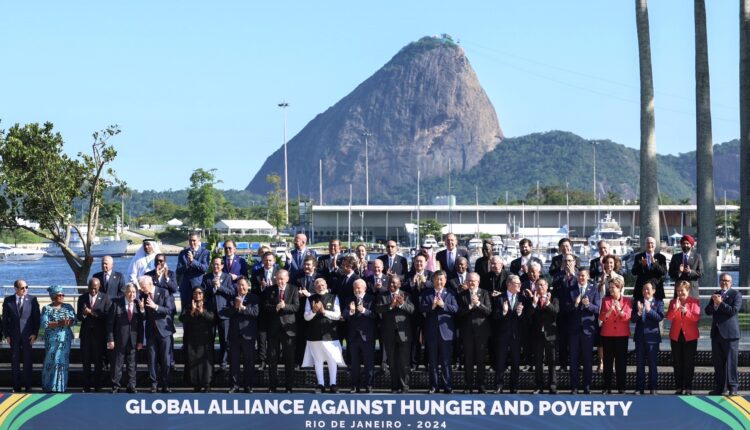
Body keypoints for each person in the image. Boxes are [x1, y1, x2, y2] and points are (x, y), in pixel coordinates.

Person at [420, 270, 458, 394]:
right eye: (437, 279)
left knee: (446, 362)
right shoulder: (427, 294)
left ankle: (448, 386)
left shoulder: (451, 293)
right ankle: (434, 386)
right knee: (433, 362)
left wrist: (444, 305)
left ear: (445, 280)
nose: (439, 282)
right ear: (433, 280)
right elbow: (421, 308)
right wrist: (431, 306)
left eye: (441, 279)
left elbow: (456, 308)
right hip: (431, 333)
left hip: (446, 334)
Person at [303, 278, 344, 392]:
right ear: (314, 287)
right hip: (314, 334)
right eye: (318, 285)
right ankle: (320, 384)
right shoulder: (310, 299)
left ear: (326, 285)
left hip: (330, 335)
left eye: (322, 284)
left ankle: (333, 384)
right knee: (318, 360)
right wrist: (314, 311)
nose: (320, 287)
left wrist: (324, 311)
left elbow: (337, 315)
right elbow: (306, 317)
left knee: (332, 359)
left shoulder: (333, 297)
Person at [262, 270, 299, 393]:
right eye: (278, 278)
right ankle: (273, 386)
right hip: (273, 330)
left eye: (282, 278)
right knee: (272, 359)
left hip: (288, 330)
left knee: (289, 360)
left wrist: (285, 306)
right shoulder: (269, 290)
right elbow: (265, 306)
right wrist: (275, 308)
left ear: (287, 278)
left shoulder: (293, 289)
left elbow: (296, 307)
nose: (280, 281)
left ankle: (289, 387)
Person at [376, 276, 414, 393]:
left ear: (399, 284)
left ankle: (404, 386)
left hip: (404, 333)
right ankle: (394, 386)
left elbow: (412, 310)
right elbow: (377, 310)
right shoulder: (383, 295)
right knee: (392, 362)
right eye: (389, 283)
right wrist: (390, 306)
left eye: (394, 283)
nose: (391, 285)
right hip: (389, 333)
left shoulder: (406, 295)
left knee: (404, 362)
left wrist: (402, 304)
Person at [706, 273, 742, 396]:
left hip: (730, 334)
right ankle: (720, 387)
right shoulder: (716, 294)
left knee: (731, 362)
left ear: (731, 283)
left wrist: (720, 303)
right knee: (718, 363)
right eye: (722, 280)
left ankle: (733, 387)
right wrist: (715, 304)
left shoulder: (736, 295)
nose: (724, 282)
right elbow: (707, 310)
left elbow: (733, 311)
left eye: (727, 280)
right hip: (716, 334)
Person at [139, 275, 176, 393]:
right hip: (151, 332)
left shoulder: (164, 292)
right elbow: (143, 317)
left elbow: (169, 310)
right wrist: (142, 310)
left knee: (165, 359)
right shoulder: (142, 295)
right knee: (152, 359)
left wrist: (155, 307)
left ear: (150, 284)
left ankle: (166, 384)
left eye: (143, 287)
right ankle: (154, 384)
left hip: (164, 331)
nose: (142, 289)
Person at [2, 279, 40, 392]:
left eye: (26, 287)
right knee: (15, 361)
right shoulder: (8, 300)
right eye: (22, 288)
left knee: (27, 361)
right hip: (13, 336)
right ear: (16, 289)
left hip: (28, 336)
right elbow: (4, 320)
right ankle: (16, 386)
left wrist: (35, 333)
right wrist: (7, 335)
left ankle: (28, 385)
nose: (25, 289)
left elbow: (36, 318)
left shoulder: (32, 300)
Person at [492, 274, 527, 394]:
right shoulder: (499, 298)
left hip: (516, 336)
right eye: (517, 284)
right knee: (500, 361)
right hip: (502, 335)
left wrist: (519, 313)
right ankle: (499, 385)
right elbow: (494, 317)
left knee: (516, 362)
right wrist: (504, 312)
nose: (519, 286)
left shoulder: (522, 298)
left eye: (520, 284)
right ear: (509, 284)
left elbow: (527, 319)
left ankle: (514, 386)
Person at [566, 271, 600, 394]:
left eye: (583, 275)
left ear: (588, 277)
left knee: (587, 360)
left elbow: (597, 309)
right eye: (579, 275)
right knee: (573, 360)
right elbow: (565, 309)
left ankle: (587, 386)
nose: (581, 277)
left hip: (588, 330)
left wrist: (588, 305)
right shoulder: (571, 289)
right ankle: (574, 387)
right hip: (574, 330)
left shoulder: (593, 289)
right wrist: (575, 304)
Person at [457, 272, 491, 393]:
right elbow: (459, 313)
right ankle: (468, 385)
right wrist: (470, 306)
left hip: (481, 332)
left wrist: (478, 304)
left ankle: (481, 385)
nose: (471, 283)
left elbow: (488, 311)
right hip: (467, 333)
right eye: (469, 281)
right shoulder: (462, 295)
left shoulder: (485, 293)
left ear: (478, 281)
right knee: (468, 360)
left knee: (481, 360)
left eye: (474, 281)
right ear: (466, 282)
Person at [107, 283, 143, 393]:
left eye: (134, 292)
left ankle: (131, 385)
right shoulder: (116, 304)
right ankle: (116, 386)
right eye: (129, 292)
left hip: (133, 340)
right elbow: (109, 323)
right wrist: (110, 339)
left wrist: (140, 341)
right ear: (125, 292)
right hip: (119, 340)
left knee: (132, 364)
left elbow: (141, 324)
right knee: (117, 364)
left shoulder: (138, 304)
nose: (132, 294)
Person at [666, 280, 700, 395]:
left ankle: (688, 387)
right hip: (676, 336)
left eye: (682, 290)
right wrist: (675, 309)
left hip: (690, 337)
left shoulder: (694, 302)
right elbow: (669, 317)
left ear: (688, 290)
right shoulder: (673, 302)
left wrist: (687, 312)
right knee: (677, 362)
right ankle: (679, 387)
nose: (680, 293)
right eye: (678, 290)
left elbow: (696, 318)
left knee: (689, 362)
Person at [77, 278, 111, 392]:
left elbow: (106, 316)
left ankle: (97, 386)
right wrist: (84, 314)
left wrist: (91, 312)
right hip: (86, 335)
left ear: (99, 287)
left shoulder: (105, 298)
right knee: (85, 362)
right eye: (90, 288)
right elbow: (79, 317)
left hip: (99, 335)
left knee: (98, 362)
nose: (92, 290)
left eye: (95, 288)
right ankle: (86, 386)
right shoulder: (82, 298)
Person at [40, 285, 76, 393]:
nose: (61, 297)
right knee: (51, 361)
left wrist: (68, 322)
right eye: (59, 295)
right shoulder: (47, 308)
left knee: (62, 362)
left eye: (63, 295)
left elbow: (74, 320)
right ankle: (48, 386)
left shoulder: (68, 307)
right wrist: (60, 323)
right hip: (51, 340)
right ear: (53, 296)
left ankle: (60, 387)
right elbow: (44, 323)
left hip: (65, 339)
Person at [343, 279, 377, 393]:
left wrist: (364, 311)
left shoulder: (371, 299)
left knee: (369, 363)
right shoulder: (349, 299)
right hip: (353, 337)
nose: (356, 290)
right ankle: (354, 386)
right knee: (354, 364)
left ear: (364, 288)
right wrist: (351, 311)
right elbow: (344, 315)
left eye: (358, 288)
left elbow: (375, 315)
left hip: (367, 336)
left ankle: (369, 385)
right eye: (354, 288)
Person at [202, 257, 235, 373]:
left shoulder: (227, 277)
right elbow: (203, 294)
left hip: (224, 313)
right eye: (213, 264)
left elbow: (232, 292)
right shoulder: (206, 277)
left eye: (217, 265)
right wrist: (212, 288)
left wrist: (220, 287)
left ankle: (223, 364)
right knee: (209, 339)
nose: (215, 267)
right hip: (210, 313)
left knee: (224, 340)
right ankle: (209, 363)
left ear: (222, 266)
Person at [227, 277, 260, 393]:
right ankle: (235, 385)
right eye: (239, 285)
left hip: (248, 334)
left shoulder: (253, 298)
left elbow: (255, 313)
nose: (241, 287)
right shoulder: (232, 298)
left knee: (249, 362)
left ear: (248, 286)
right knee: (234, 362)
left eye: (243, 285)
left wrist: (243, 308)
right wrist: (235, 307)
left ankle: (248, 385)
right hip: (235, 335)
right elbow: (227, 313)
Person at [599, 277, 631, 394]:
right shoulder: (605, 300)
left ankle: (621, 387)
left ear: (620, 288)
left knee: (621, 362)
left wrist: (619, 310)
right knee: (607, 362)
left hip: (622, 335)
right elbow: (602, 317)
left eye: (613, 287)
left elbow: (627, 317)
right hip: (607, 335)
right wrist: (610, 310)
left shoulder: (627, 301)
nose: (611, 289)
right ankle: (607, 387)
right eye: (610, 287)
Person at [180, 288, 216, 392]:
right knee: (193, 360)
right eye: (195, 293)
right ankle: (196, 384)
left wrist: (202, 312)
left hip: (205, 338)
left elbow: (213, 319)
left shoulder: (209, 305)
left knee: (206, 362)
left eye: (200, 293)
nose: (197, 295)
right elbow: (182, 318)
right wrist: (191, 312)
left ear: (203, 295)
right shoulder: (188, 305)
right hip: (191, 338)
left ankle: (207, 384)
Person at [631, 282, 664, 395]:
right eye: (644, 289)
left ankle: (653, 388)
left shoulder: (659, 302)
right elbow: (633, 319)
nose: (646, 291)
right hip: (640, 338)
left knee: (652, 364)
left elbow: (659, 317)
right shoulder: (637, 302)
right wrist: (639, 312)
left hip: (652, 339)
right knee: (639, 365)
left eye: (648, 289)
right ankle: (639, 388)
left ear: (654, 290)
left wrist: (649, 310)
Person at [528, 279, 558, 394]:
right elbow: (528, 316)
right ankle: (539, 386)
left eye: (542, 284)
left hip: (550, 335)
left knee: (552, 361)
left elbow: (556, 312)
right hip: (537, 335)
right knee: (538, 362)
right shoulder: (532, 299)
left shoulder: (554, 299)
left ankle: (552, 386)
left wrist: (548, 303)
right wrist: (534, 303)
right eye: (537, 285)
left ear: (547, 286)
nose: (540, 287)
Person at [404, 253, 433, 371]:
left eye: (421, 261)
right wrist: (412, 282)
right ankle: (414, 363)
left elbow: (434, 287)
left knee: (428, 339)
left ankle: (428, 363)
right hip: (413, 313)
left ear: (426, 263)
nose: (419, 264)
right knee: (414, 339)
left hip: (427, 312)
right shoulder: (409, 275)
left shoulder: (430, 275)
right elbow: (405, 290)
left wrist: (425, 282)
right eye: (417, 261)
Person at [176, 233, 211, 308]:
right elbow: (178, 270)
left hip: (198, 287)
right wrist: (187, 264)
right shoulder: (183, 253)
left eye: (194, 240)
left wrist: (193, 261)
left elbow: (205, 268)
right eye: (190, 240)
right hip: (185, 288)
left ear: (199, 240)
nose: (192, 243)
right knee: (185, 312)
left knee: (199, 312)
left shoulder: (205, 253)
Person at [631, 236, 667, 301]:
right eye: (648, 243)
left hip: (656, 290)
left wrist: (655, 264)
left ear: (655, 245)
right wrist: (642, 265)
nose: (650, 245)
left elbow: (664, 272)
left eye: (651, 243)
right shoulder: (638, 257)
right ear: (645, 245)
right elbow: (633, 272)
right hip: (641, 291)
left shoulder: (661, 257)